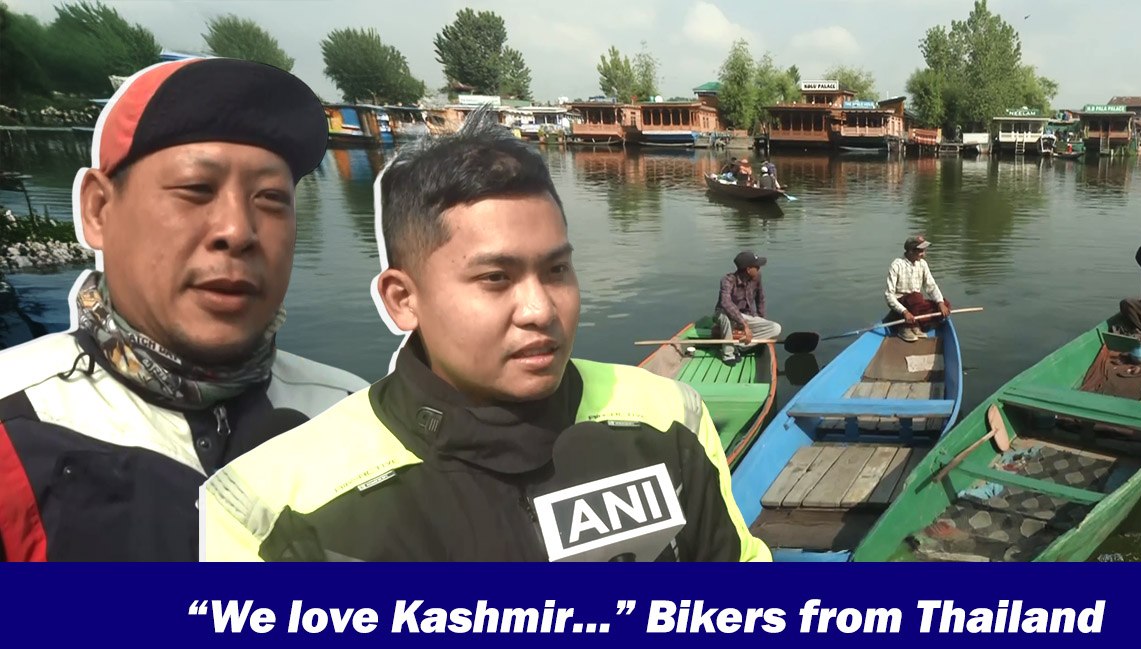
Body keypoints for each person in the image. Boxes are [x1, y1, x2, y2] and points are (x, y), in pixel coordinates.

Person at [199, 110, 770, 562]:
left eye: (556, 271)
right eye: (495, 278)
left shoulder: (667, 417)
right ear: (403, 300)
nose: (540, 309)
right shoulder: (273, 508)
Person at [0, 58, 368, 561]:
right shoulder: (15, 425)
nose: (237, 231)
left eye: (271, 198)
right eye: (196, 190)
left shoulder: (355, 415)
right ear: (97, 210)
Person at [714, 251, 782, 363]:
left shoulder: (757, 277)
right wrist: (744, 324)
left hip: (746, 316)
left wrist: (761, 319)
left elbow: (760, 299)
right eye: (756, 266)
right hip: (724, 314)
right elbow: (725, 303)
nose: (759, 268)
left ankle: (741, 345)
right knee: (726, 317)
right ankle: (728, 353)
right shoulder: (728, 280)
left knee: (775, 328)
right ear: (748, 269)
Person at [885, 236, 951, 342]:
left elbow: (931, 286)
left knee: (945, 305)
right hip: (902, 304)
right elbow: (889, 295)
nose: (924, 254)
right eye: (921, 251)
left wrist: (940, 303)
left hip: (916, 304)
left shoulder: (922, 264)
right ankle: (905, 327)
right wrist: (904, 312)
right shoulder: (896, 265)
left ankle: (915, 324)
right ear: (911, 251)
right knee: (915, 297)